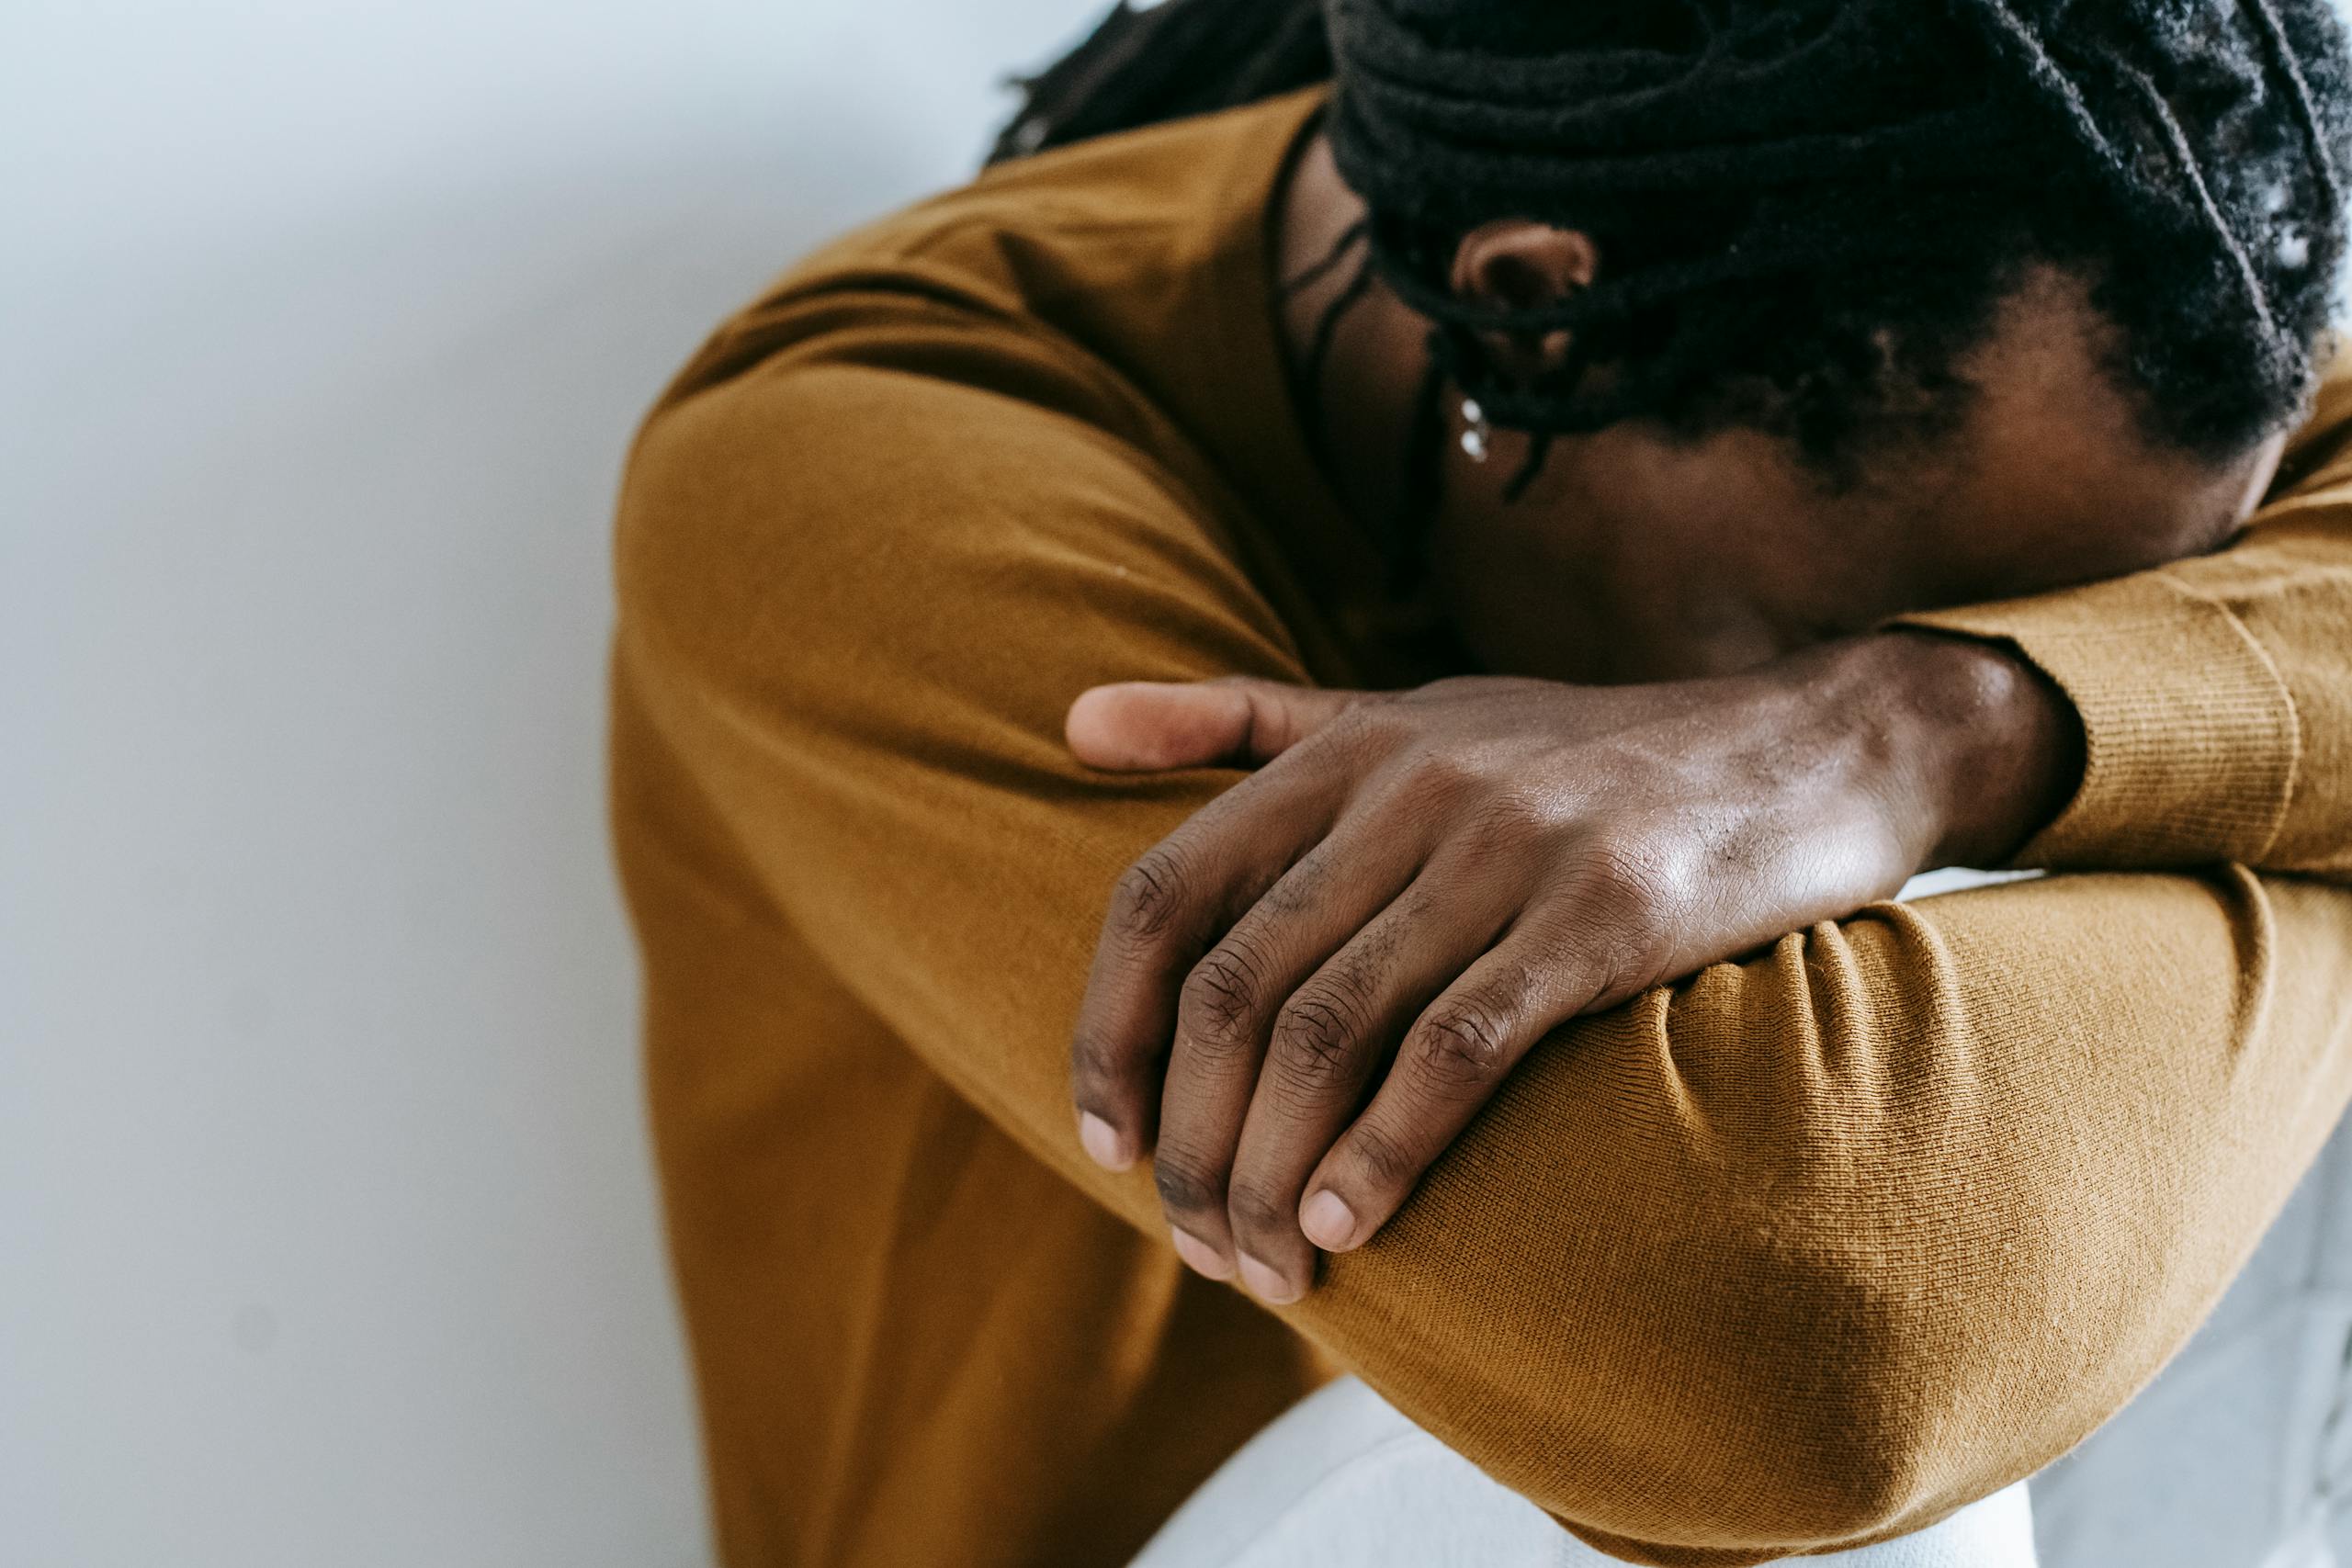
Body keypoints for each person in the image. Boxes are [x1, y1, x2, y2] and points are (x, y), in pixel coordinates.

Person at [606, 1, 2352, 1563]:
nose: (1824, 729)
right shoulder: (853, 471)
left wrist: (1922, 729)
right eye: (1870, 622)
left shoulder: (2131, 281)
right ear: (1536, 320)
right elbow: (1806, 1342)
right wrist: (2265, 786)